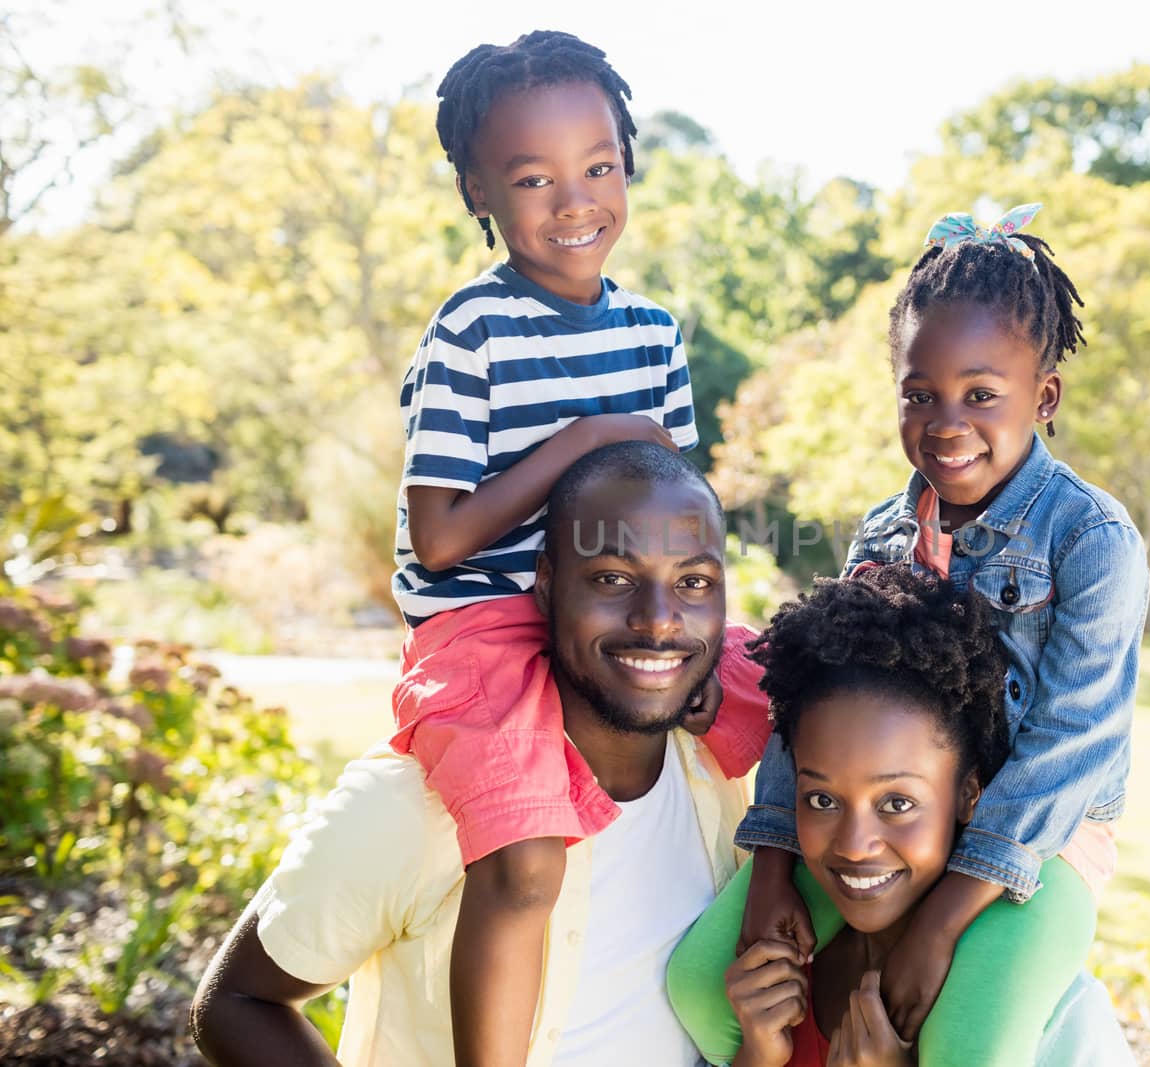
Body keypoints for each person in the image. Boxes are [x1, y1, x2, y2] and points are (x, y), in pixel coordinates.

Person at [669, 204, 1149, 1065]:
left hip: (1038, 841)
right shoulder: (883, 535)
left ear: (1043, 397)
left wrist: (944, 916)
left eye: (981, 395)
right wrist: (774, 862)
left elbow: (1072, 746)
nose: (947, 422)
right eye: (919, 394)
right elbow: (809, 705)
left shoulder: (1091, 541)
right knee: (708, 986)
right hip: (882, 811)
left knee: (963, 1048)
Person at [388, 31, 760, 1066]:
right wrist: (587, 438)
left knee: (799, 718)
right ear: (478, 191)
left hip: (612, 608)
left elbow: (679, 505)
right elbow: (442, 537)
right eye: (533, 178)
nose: (575, 200)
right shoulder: (471, 332)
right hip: (487, 622)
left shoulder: (650, 332)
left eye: (598, 167)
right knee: (527, 857)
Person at [191, 442, 771, 1067]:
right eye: (612, 578)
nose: (658, 622)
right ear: (547, 587)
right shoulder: (420, 804)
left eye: (694, 582)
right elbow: (236, 1002)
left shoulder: (726, 777)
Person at [705, 565, 1134, 1066]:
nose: (853, 843)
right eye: (822, 800)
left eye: (897, 804)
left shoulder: (1042, 1016)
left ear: (969, 794)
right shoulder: (779, 980)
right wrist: (757, 1053)